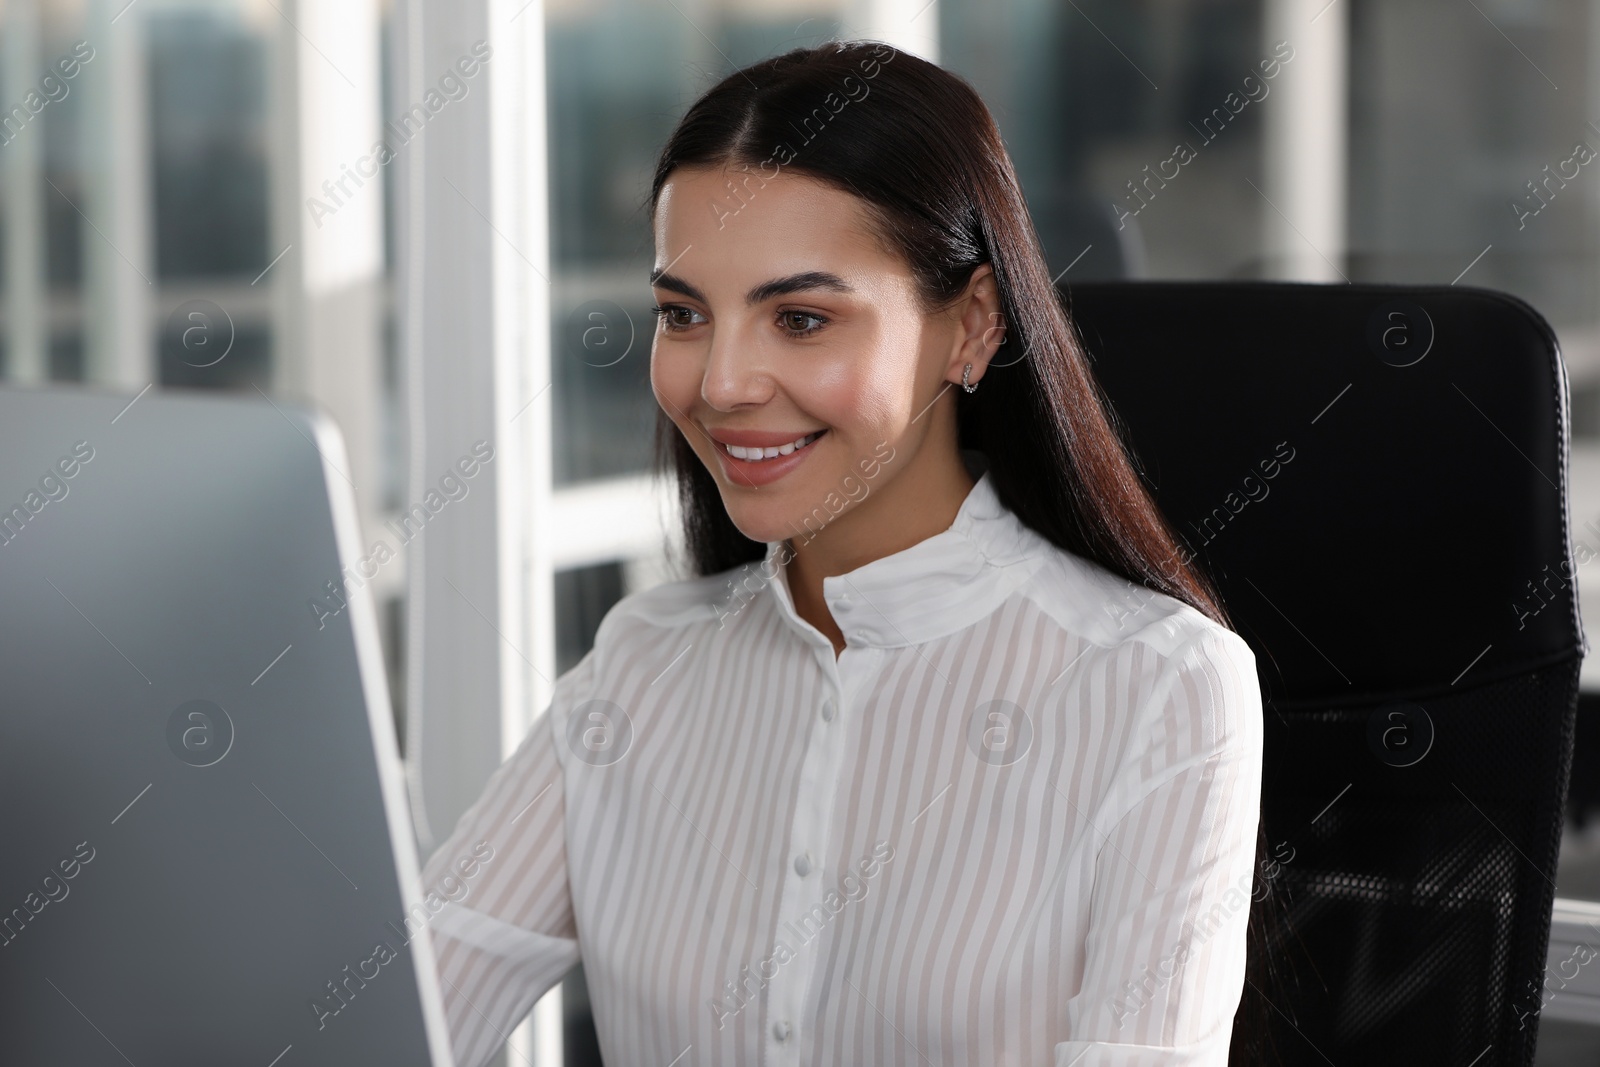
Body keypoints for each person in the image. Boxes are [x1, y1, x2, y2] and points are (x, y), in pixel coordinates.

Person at [420, 38, 1271, 1067]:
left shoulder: (1159, 685)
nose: (722, 382)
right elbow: (399, 1007)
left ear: (969, 327)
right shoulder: (641, 664)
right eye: (684, 314)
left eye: (802, 317)